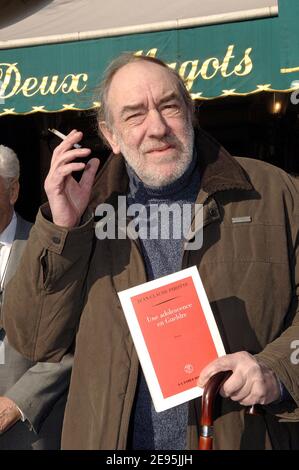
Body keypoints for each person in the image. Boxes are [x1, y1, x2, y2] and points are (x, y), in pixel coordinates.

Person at [3, 54, 299, 450]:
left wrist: (275, 369)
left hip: (241, 437)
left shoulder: (272, 192)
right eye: (135, 114)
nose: (157, 127)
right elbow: (34, 339)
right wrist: (62, 230)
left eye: (169, 106)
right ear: (110, 135)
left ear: (191, 112)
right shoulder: (85, 211)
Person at [0, 145, 72, 449]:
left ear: (12, 191)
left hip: (27, 431)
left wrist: (17, 402)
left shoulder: (51, 249)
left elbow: (74, 340)